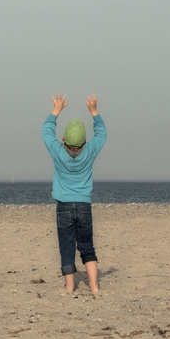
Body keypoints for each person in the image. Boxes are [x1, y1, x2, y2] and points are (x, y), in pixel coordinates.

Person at [42, 93, 107, 293]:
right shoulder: (89, 151)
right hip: (84, 205)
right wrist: (94, 111)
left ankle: (70, 286)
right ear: (84, 142)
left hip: (63, 206)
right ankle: (94, 286)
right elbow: (102, 133)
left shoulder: (58, 151)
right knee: (87, 245)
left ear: (63, 139)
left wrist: (56, 110)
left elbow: (46, 131)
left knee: (67, 246)